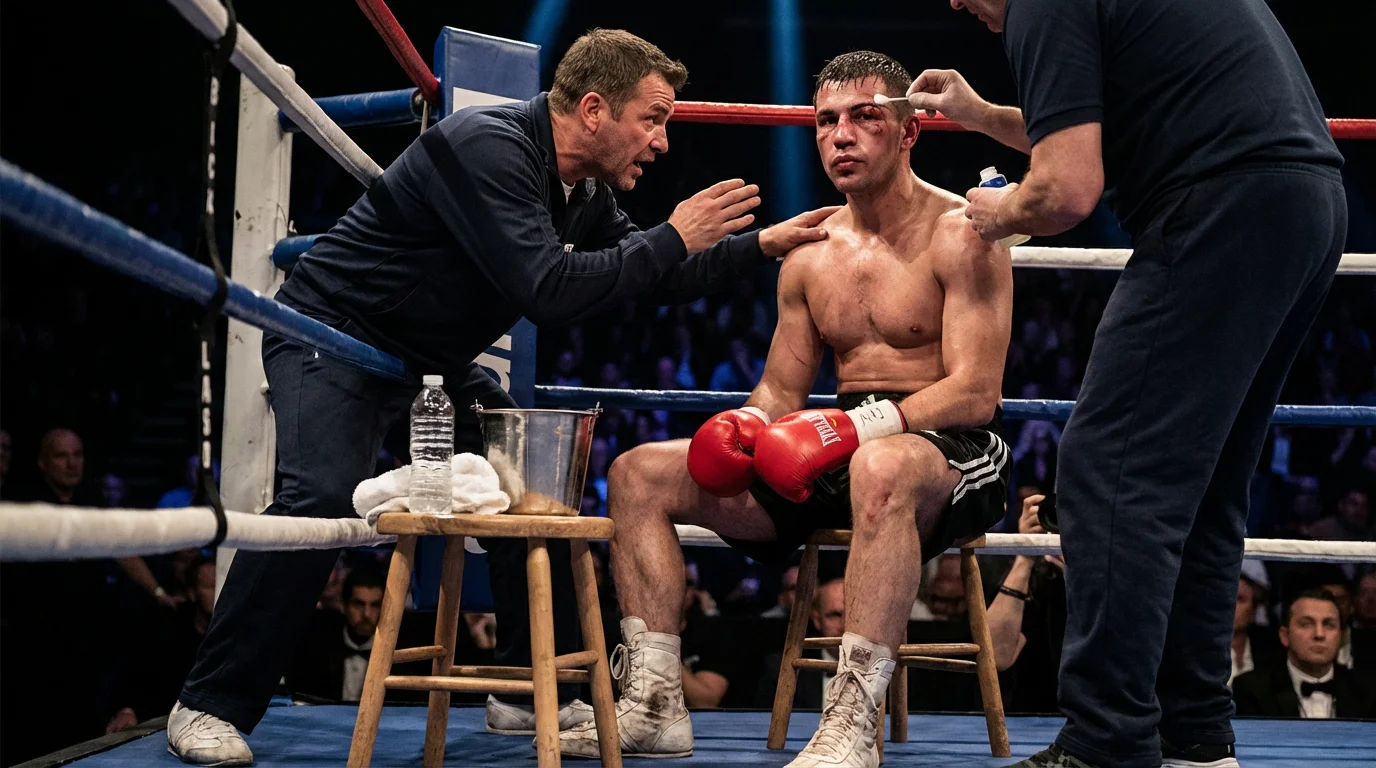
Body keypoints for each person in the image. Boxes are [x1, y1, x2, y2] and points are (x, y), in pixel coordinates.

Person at [166, 29, 835, 766]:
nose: (663, 141)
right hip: (336, 333)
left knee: (534, 488)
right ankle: (207, 703)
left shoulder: (579, 188)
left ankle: (523, 690)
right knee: (319, 495)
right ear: (591, 109)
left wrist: (761, 246)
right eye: (654, 117)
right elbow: (545, 288)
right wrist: (675, 235)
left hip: (430, 360)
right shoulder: (490, 147)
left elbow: (655, 276)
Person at [910, 1, 1347, 766]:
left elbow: (1068, 190)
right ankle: (1195, 735)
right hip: (1304, 202)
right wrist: (981, 116)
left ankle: (1108, 742)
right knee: (1202, 485)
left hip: (1224, 204)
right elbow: (1098, 132)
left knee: (1108, 470)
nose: (954, 4)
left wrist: (1000, 209)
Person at [558, 51, 1012, 767]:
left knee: (883, 467)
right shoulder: (810, 252)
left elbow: (974, 391)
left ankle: (851, 724)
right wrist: (743, 427)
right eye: (827, 121)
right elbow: (780, 393)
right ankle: (651, 704)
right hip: (837, 446)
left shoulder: (963, 231)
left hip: (947, 446)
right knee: (639, 471)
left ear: (907, 132)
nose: (841, 136)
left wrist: (856, 426)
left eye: (865, 118)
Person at [1232, 589, 1376, 718]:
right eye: (1306, 624)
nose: (1319, 634)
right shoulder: (1252, 690)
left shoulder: (1368, 690)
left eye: (1329, 625)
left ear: (1342, 636)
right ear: (1285, 635)